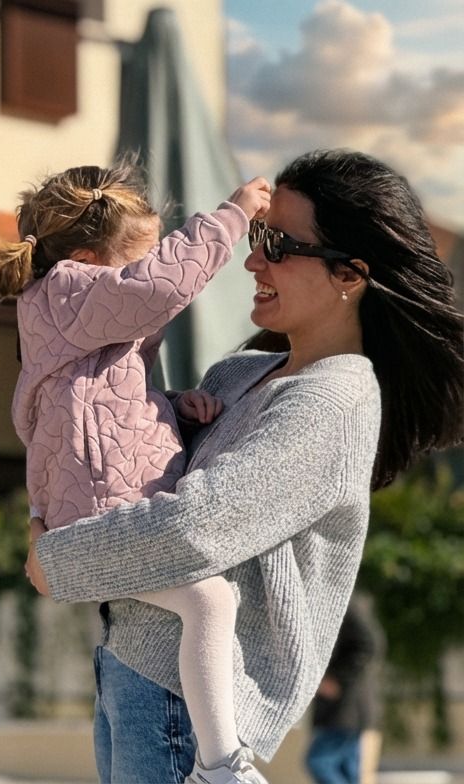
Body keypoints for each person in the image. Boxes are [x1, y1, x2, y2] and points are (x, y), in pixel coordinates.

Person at [25, 148, 464, 784]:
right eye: (258, 237)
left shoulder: (335, 400)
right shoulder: (236, 374)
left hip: (183, 707)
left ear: (349, 274)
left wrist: (54, 559)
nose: (253, 260)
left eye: (278, 245)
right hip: (129, 668)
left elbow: (196, 527)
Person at [0, 162, 272, 784]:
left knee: (204, 601)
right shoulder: (67, 289)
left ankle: (220, 760)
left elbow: (97, 407)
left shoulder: (77, 323)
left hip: (92, 506)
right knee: (209, 598)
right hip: (98, 515)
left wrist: (168, 406)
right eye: (139, 258)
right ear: (88, 261)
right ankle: (221, 763)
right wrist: (232, 215)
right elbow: (158, 287)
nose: (150, 267)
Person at [306, 596, 385, 784]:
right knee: (348, 770)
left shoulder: (345, 601)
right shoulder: (343, 601)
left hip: (346, 708)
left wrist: (336, 679)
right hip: (346, 709)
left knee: (319, 761)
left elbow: (369, 644)